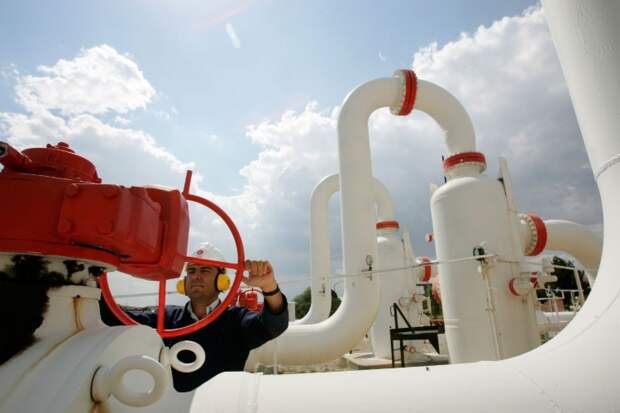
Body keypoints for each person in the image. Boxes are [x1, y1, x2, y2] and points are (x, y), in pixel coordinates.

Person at [99, 242, 289, 392]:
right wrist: (95, 275)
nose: (196, 276)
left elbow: (273, 325)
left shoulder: (236, 320)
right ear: (184, 282)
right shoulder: (166, 318)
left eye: (205, 270)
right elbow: (115, 317)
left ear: (221, 280)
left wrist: (269, 286)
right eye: (191, 271)